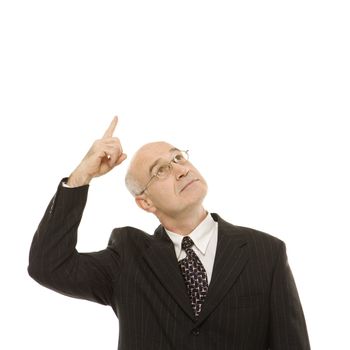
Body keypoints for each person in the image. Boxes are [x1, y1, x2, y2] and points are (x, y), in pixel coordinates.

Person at [28, 117, 311, 349]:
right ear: (145, 202)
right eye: (161, 170)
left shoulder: (266, 252)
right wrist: (82, 175)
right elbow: (48, 265)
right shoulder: (127, 257)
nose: (180, 169)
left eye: (178, 157)